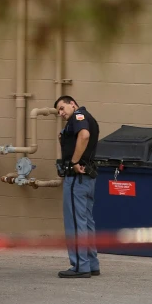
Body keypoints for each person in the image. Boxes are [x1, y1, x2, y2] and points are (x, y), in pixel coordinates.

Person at [54, 95, 101, 278]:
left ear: (73, 104)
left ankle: (80, 266)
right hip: (88, 177)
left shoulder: (79, 116)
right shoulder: (87, 117)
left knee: (75, 222)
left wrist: (73, 162)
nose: (60, 113)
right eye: (58, 111)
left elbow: (84, 135)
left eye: (62, 108)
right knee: (87, 221)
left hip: (77, 178)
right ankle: (91, 263)